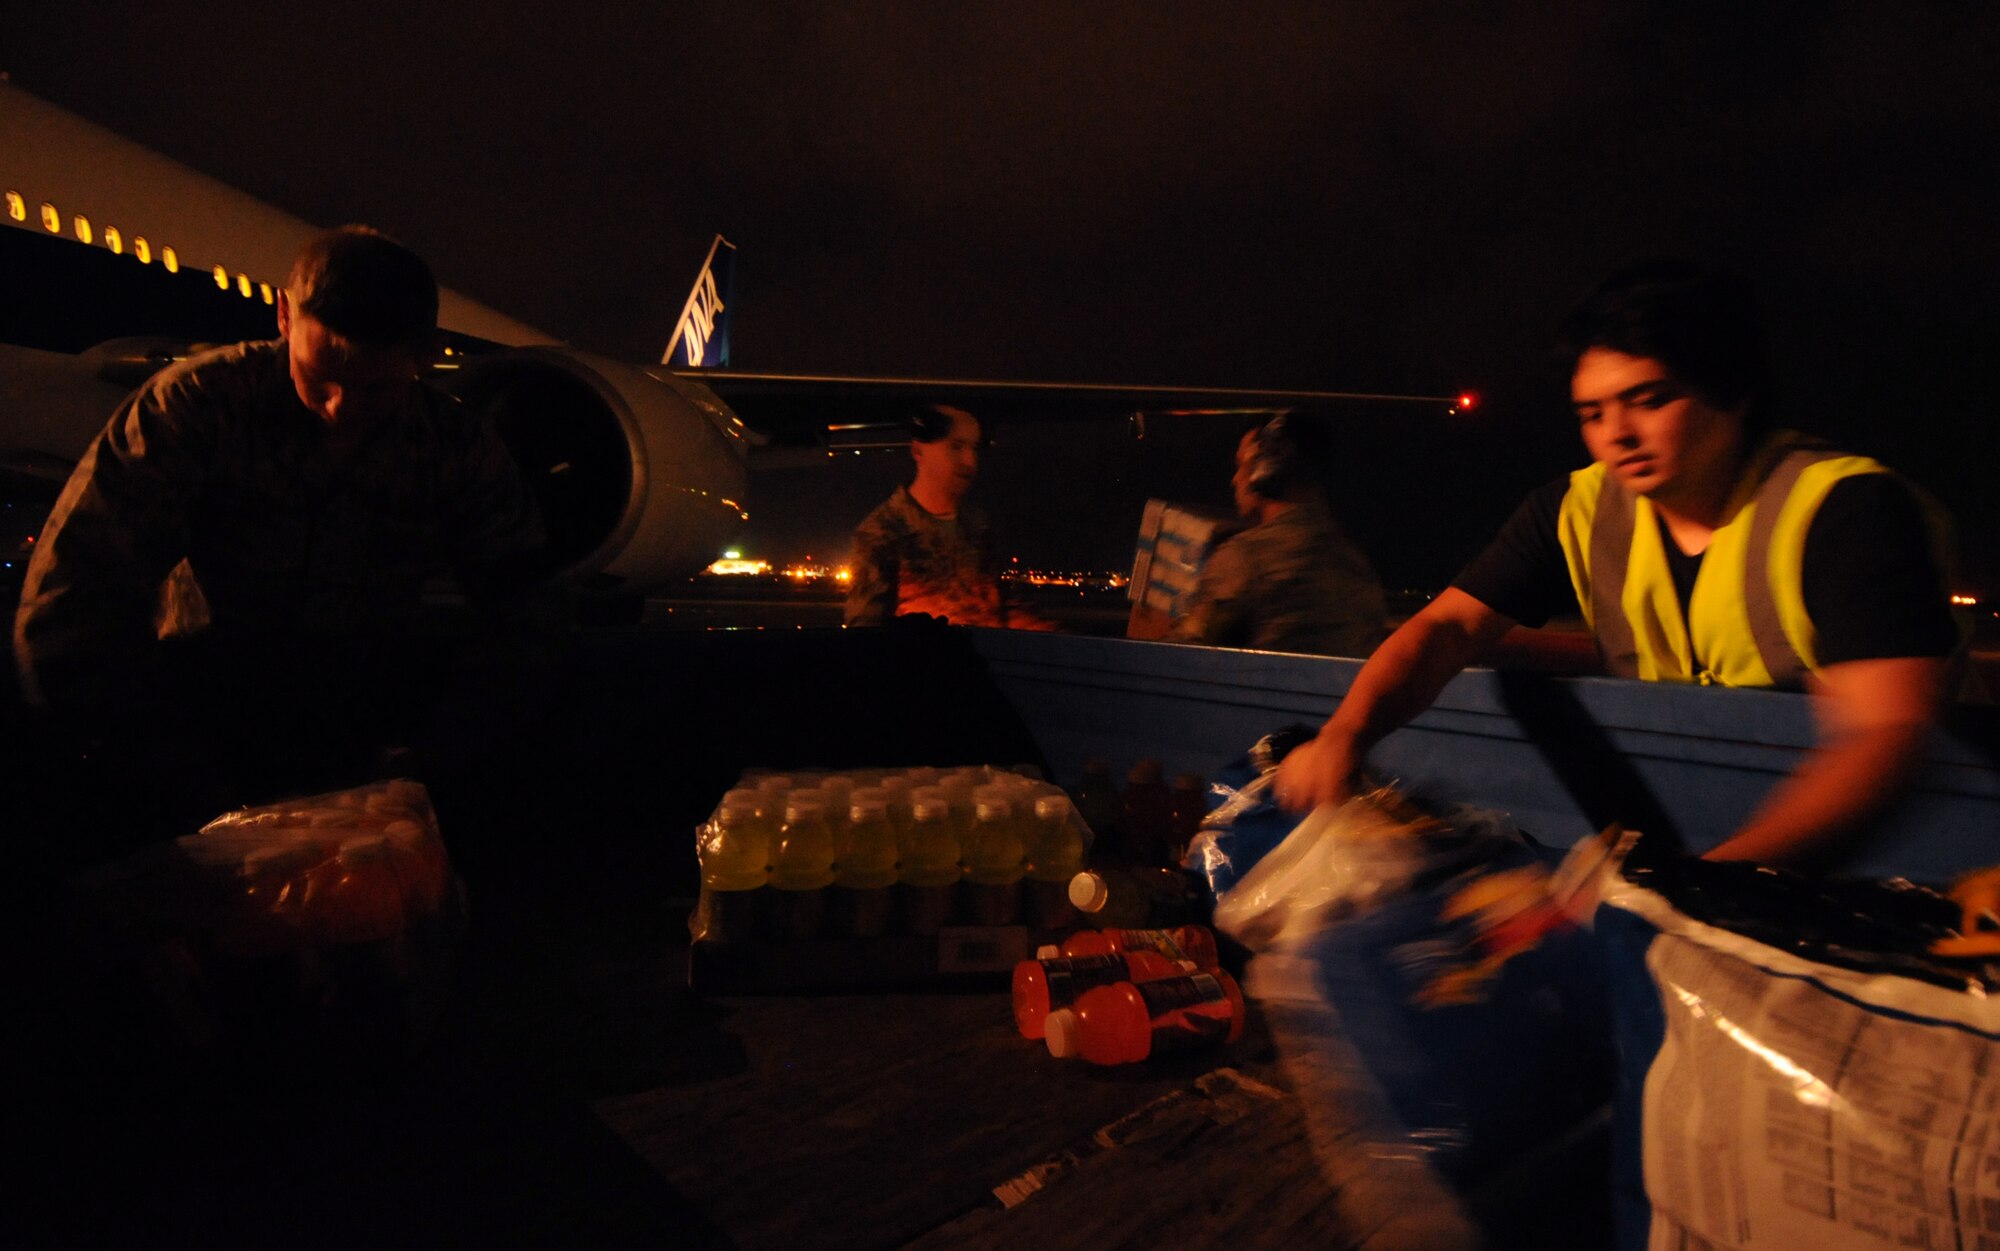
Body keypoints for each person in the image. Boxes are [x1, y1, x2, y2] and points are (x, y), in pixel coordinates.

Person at [1274, 260, 1964, 868]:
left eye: (1650, 399)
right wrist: (1345, 735)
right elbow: (1447, 627)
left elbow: (1884, 734)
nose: (1617, 436)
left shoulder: (1842, 511)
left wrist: (1704, 884)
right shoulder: (1576, 511)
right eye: (1592, 413)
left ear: (1734, 391)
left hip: (1913, 859)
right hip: (1699, 846)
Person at [13, 225, 550, 844]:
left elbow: (527, 615)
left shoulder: (455, 449)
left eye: (375, 390)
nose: (339, 408)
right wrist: (163, 772)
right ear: (284, 317)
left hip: (362, 740)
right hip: (191, 723)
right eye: (321, 378)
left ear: (425, 355)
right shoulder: (195, 407)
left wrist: (437, 758)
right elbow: (72, 602)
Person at [1159, 414, 1388, 656]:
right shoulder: (1358, 564)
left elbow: (1183, 655)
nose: (1235, 479)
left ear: (1266, 471)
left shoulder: (1245, 557)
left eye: (1242, 465)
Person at [844, 404, 1048, 629]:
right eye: (956, 447)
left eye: (974, 448)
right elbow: (865, 635)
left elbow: (1007, 607)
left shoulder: (979, 526)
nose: (970, 461)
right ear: (918, 451)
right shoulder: (882, 533)